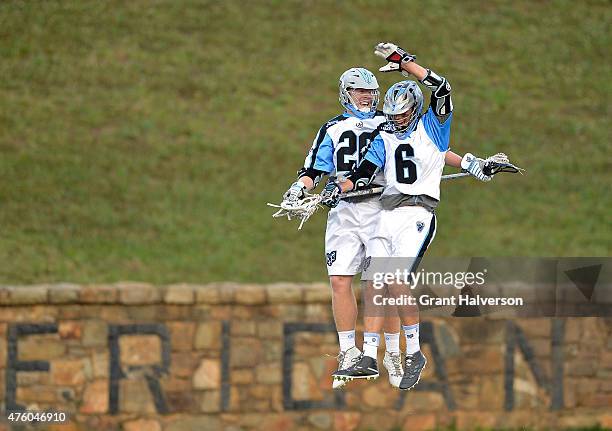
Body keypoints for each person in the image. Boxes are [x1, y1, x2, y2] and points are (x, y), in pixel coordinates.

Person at [323, 42, 491, 390]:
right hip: (387, 212)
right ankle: (369, 354)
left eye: (402, 114)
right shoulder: (384, 134)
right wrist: (339, 188)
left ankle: (413, 351)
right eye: (393, 114)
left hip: (418, 212)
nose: (397, 119)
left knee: (395, 278)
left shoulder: (432, 126)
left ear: (414, 110)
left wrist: (405, 63)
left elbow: (442, 88)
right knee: (375, 283)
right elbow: (364, 169)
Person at [281, 67, 404, 388]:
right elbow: (315, 169)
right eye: (359, 91)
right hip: (345, 212)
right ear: (345, 93)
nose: (366, 96)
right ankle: (348, 350)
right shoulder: (333, 128)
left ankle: (391, 352)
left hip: (382, 208)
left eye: (371, 91)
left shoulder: (390, 123)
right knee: (339, 280)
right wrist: (299, 188)